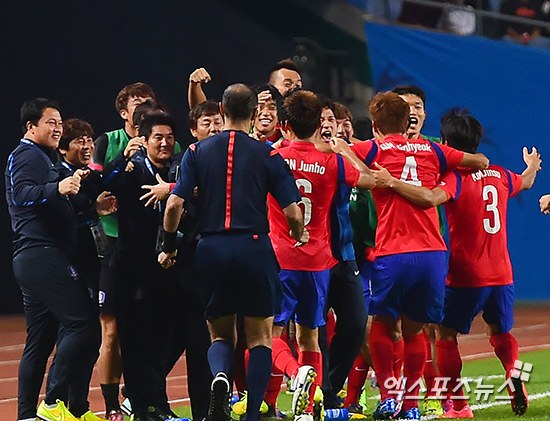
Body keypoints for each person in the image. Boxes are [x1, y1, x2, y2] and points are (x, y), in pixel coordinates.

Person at [373, 108, 540, 418]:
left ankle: (460, 406)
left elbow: (430, 198)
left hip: (467, 274)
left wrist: (393, 182)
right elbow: (526, 182)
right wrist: (532, 166)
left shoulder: (454, 178)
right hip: (502, 274)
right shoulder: (501, 175)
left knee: (443, 335)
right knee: (500, 332)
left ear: (448, 142)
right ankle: (513, 371)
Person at [159, 83, 305, 421]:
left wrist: (169, 245)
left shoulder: (196, 152)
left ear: (221, 112)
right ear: (255, 114)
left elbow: (174, 206)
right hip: (254, 247)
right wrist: (298, 235)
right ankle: (253, 413)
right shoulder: (268, 154)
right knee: (261, 338)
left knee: (221, 334)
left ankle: (221, 377)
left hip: (211, 249)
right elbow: (294, 212)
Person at [350, 92, 489, 420]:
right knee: (416, 330)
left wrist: (360, 160)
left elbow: (338, 152)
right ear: (408, 121)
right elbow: (481, 162)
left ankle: (388, 396)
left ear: (375, 126)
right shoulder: (433, 149)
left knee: (381, 324)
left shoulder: (376, 148)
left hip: (393, 252)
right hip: (432, 255)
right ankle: (412, 405)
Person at [267, 90, 375, 421]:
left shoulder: (272, 156)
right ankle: (311, 405)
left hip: (281, 257)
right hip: (318, 261)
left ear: (284, 126)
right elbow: (369, 179)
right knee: (309, 335)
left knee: (268, 334)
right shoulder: (333, 161)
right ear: (318, 124)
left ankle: (293, 374)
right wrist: (343, 150)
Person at [6, 98, 101, 421]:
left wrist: (91, 208)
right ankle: (52, 403)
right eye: (51, 122)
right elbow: (21, 193)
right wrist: (57, 187)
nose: (58, 128)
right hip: (40, 253)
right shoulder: (27, 155)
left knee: (42, 339)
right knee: (83, 323)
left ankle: (27, 415)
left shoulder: (43, 157)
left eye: (60, 123)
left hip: (37, 256)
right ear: (31, 127)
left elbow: (63, 202)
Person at [103, 112, 186, 421]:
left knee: (162, 342)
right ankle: (142, 408)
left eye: (168, 137)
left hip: (166, 271)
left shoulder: (180, 168)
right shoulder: (132, 169)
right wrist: (120, 160)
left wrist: (173, 188)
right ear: (145, 140)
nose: (164, 143)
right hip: (131, 272)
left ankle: (158, 406)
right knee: (136, 343)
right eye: (157, 138)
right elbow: (103, 184)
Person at [92, 82, 156, 419]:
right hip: (114, 247)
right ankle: (112, 405)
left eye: (149, 101)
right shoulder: (109, 141)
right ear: (123, 111)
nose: (143, 106)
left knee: (147, 328)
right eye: (137, 102)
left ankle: (138, 398)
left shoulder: (160, 141)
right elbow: (95, 183)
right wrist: (123, 157)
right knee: (112, 330)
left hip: (147, 246)